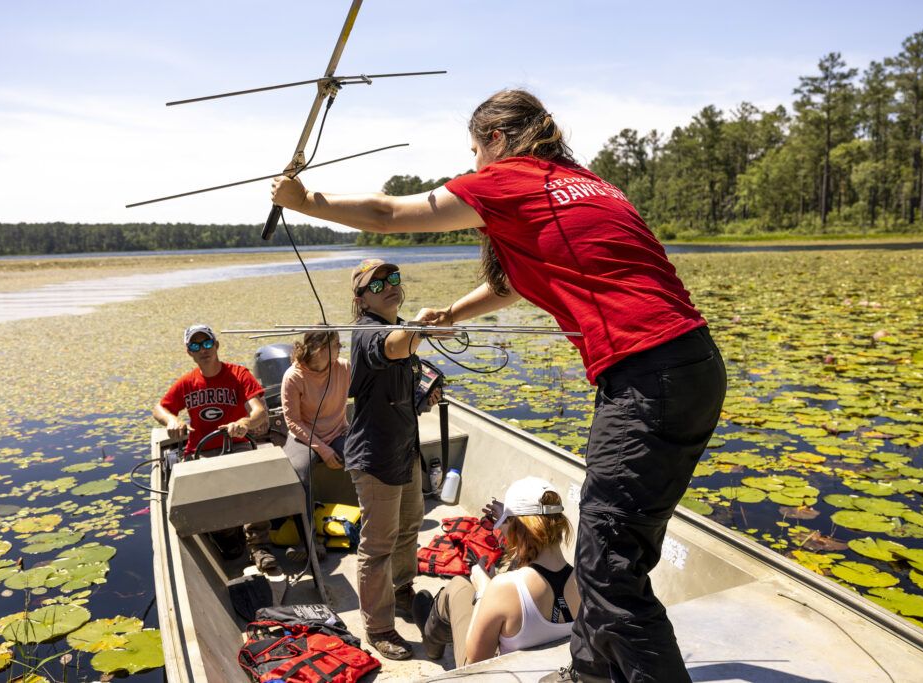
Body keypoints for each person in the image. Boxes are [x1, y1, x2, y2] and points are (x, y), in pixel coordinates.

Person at [272, 89, 727, 682]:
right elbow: (513, 285)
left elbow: (390, 213)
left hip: (646, 374)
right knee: (603, 540)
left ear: (494, 140)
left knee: (610, 566)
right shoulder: (586, 183)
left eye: (473, 150)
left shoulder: (508, 178)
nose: (475, 162)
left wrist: (305, 200)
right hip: (692, 365)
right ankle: (589, 672)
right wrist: (455, 314)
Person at [342, 258, 440, 661]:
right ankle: (378, 627)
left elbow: (399, 385)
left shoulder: (401, 333)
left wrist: (422, 398)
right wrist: (418, 326)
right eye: (377, 283)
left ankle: (402, 591)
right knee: (378, 546)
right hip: (375, 456)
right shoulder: (367, 332)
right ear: (361, 297)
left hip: (405, 449)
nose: (389, 286)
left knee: (409, 527)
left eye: (393, 278)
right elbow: (394, 346)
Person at [413, 476, 578, 668]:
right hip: (548, 670)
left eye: (504, 524)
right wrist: (510, 519)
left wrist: (483, 590)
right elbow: (539, 563)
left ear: (516, 528)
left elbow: (474, 666)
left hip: (490, 671)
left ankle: (431, 641)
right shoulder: (584, 581)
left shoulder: (504, 588)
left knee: (459, 585)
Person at [152, 323, 278, 571]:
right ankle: (229, 536)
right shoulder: (187, 383)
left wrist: (244, 422)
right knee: (203, 498)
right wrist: (172, 420)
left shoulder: (239, 374)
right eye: (196, 345)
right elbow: (159, 408)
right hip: (200, 451)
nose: (203, 349)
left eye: (207, 343)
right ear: (189, 352)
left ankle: (260, 547)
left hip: (238, 445)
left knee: (256, 483)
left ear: (217, 345)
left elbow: (260, 411)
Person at [280, 329, 350, 559]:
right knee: (299, 472)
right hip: (305, 437)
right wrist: (323, 449)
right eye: (337, 344)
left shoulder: (343, 367)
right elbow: (292, 421)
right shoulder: (294, 376)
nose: (341, 348)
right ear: (321, 350)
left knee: (366, 458)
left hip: (338, 432)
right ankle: (308, 542)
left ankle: (372, 523)